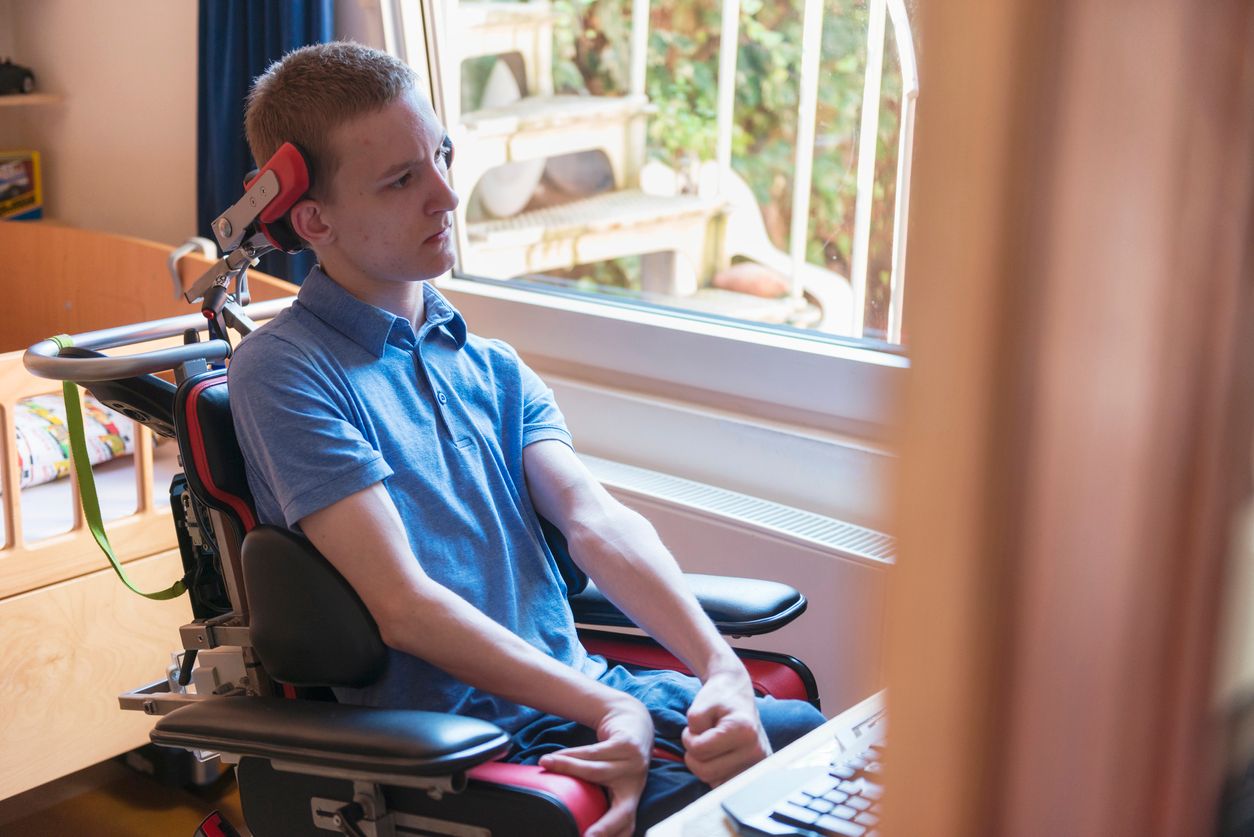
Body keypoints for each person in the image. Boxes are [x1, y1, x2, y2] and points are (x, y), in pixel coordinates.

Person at [228, 41, 825, 837]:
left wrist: (719, 670)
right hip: (478, 743)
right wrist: (609, 708)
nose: (446, 194)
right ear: (314, 219)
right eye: (402, 180)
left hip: (590, 693)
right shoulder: (286, 371)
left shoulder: (493, 366)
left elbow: (596, 522)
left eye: (440, 156)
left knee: (815, 756)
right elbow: (404, 606)